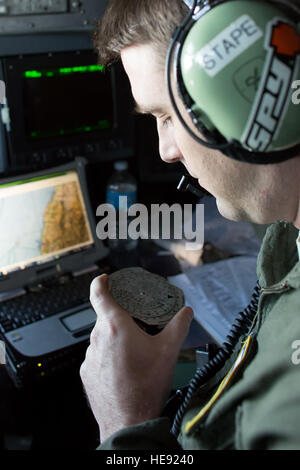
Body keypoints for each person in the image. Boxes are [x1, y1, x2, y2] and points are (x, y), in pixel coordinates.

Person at [79, 0, 300, 450]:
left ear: (252, 90)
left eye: (165, 116)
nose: (165, 151)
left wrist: (126, 424)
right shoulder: (285, 246)